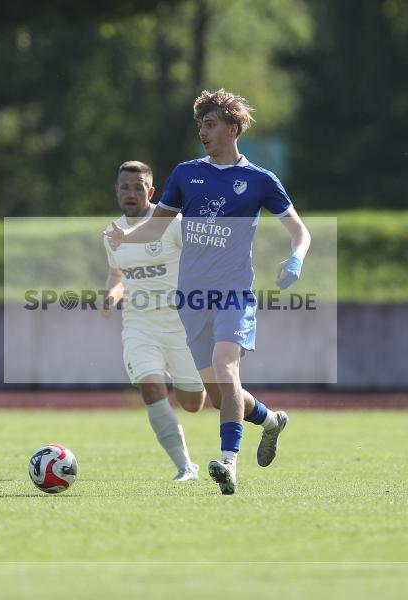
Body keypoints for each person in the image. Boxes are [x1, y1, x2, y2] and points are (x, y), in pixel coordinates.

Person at [106, 90, 311, 495]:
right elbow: (157, 227)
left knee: (226, 367)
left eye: (211, 124)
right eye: (201, 124)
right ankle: (270, 421)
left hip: (234, 295)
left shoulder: (260, 180)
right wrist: (125, 234)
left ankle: (229, 463)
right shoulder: (185, 174)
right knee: (218, 397)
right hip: (191, 301)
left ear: (233, 129)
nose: (204, 131)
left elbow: (299, 232)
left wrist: (296, 260)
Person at [101, 160, 209, 482]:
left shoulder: (172, 223)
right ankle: (185, 466)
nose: (131, 193)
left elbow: (201, 260)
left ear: (151, 191)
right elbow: (117, 273)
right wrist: (113, 294)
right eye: (125, 187)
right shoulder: (111, 234)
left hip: (182, 326)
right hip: (139, 325)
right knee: (150, 387)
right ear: (117, 191)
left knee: (193, 403)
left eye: (138, 188)